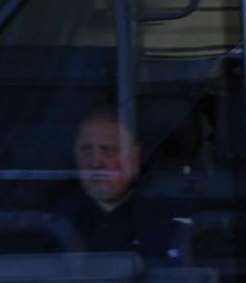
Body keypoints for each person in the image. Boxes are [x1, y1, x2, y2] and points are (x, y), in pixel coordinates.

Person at [54, 106, 187, 263]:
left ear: (134, 156)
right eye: (87, 150)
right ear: (75, 153)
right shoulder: (54, 220)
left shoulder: (169, 217)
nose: (96, 163)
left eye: (108, 150)